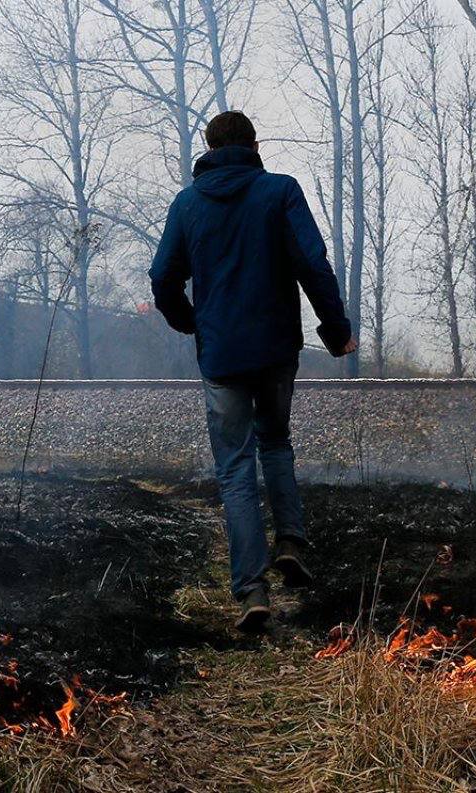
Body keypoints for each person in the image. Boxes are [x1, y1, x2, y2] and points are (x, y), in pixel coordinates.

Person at [148, 110, 357, 632]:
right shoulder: (280, 191)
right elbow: (313, 264)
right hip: (275, 350)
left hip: (221, 357)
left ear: (208, 147)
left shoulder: (188, 205)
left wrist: (190, 323)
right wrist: (334, 330)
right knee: (276, 443)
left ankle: (251, 591)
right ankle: (290, 541)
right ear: (253, 143)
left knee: (235, 468)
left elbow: (162, 275)